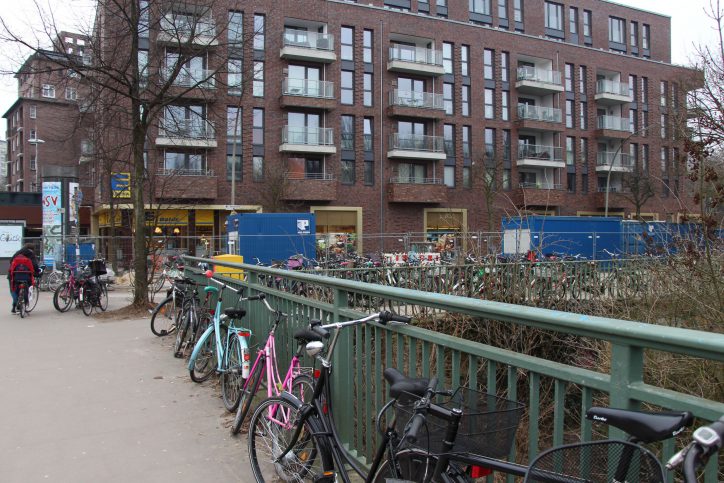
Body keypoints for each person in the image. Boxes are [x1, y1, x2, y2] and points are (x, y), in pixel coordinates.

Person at [7, 244, 40, 313]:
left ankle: (15, 305)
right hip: (26, 275)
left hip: (13, 275)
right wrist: (37, 271)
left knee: (13, 289)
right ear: (32, 249)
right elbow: (35, 265)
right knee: (26, 288)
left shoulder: (18, 252)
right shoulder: (31, 254)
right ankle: (22, 303)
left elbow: (11, 261)